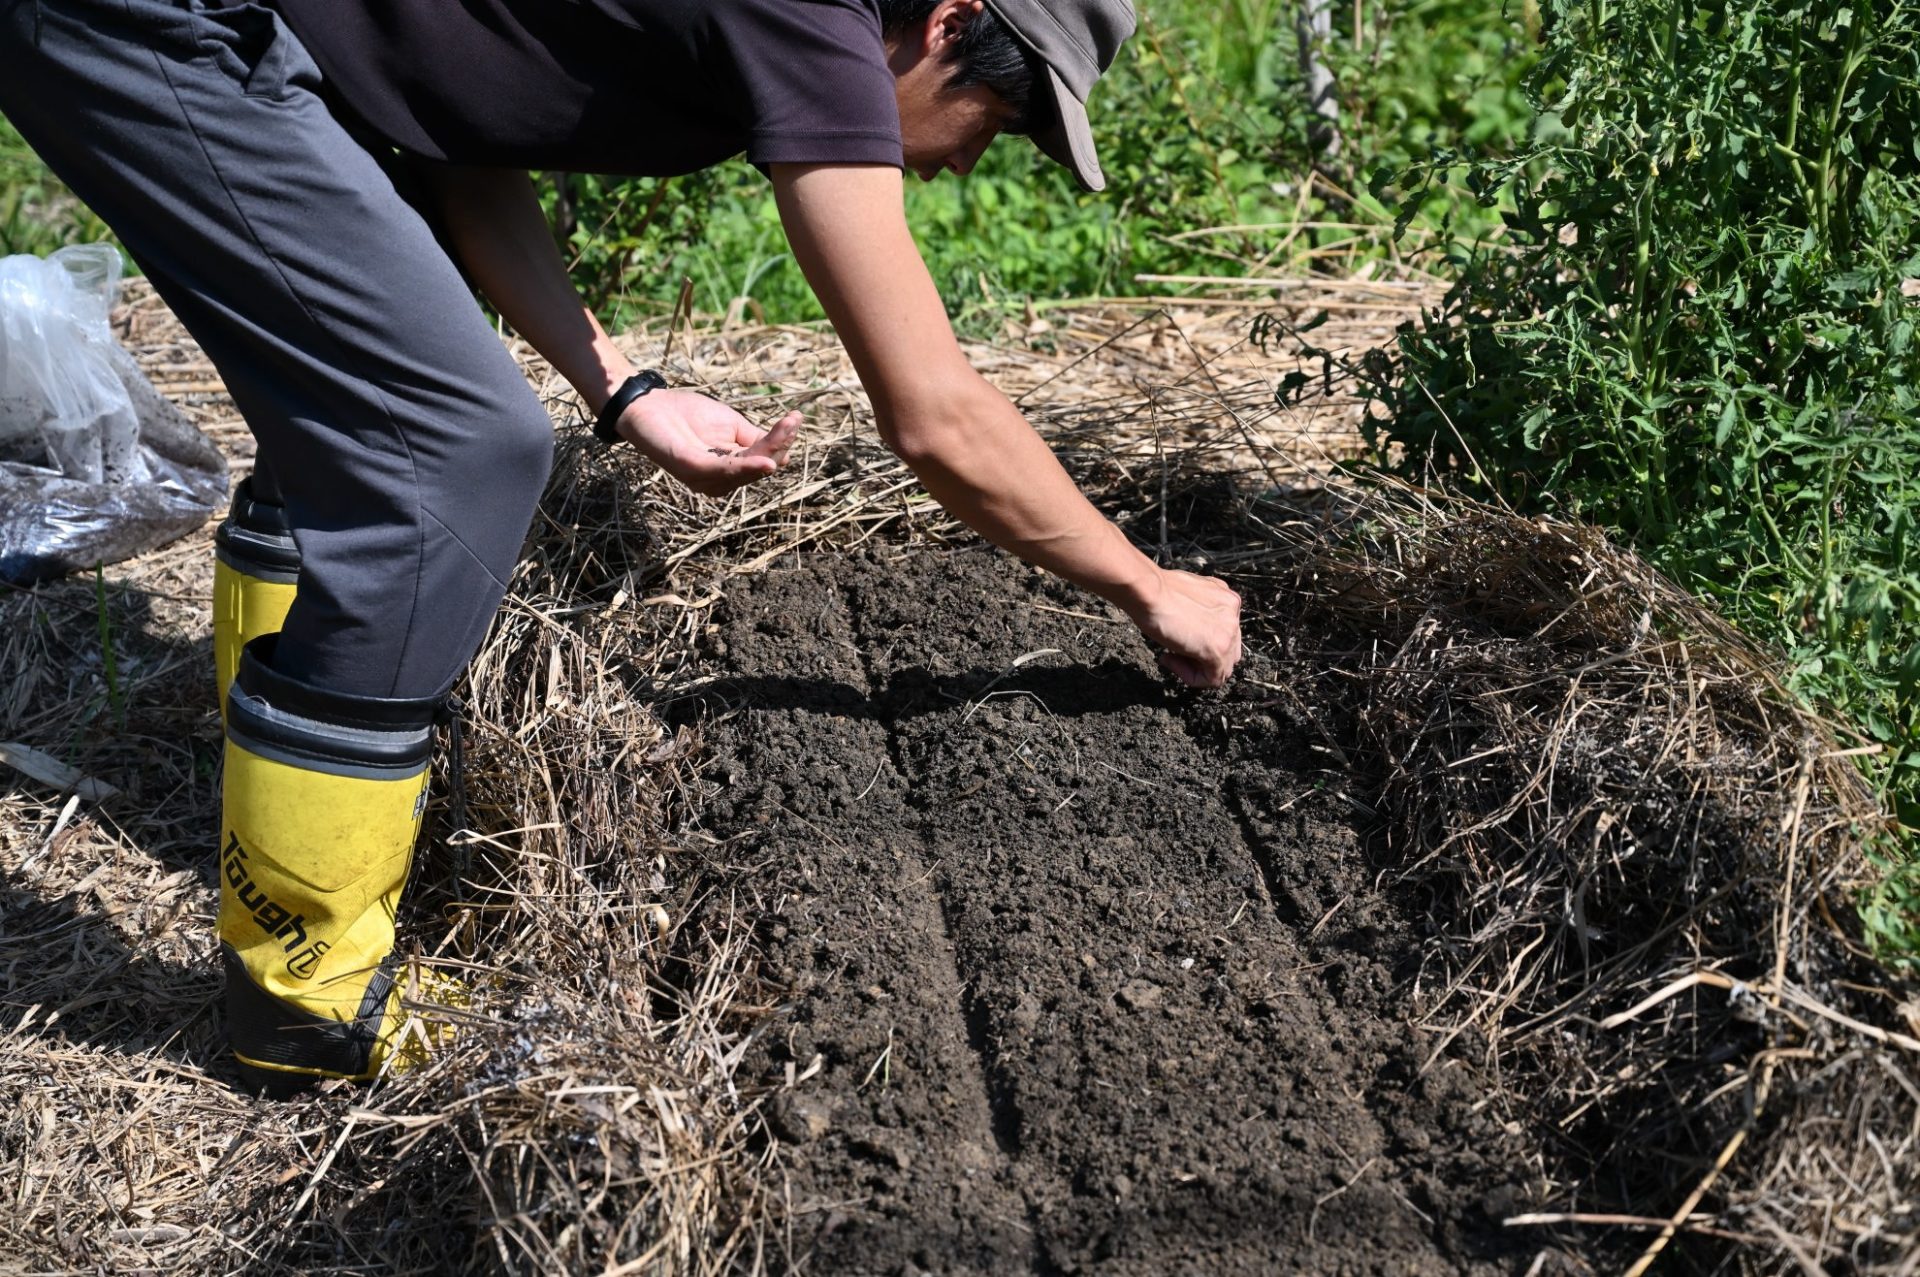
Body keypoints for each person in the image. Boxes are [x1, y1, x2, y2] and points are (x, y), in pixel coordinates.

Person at [0, 0, 1244, 1093]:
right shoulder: (811, 21)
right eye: (1000, 117)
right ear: (945, 22)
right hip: (160, 18)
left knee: (382, 415)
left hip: (255, 32)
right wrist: (1144, 584)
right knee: (448, 452)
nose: (972, 162)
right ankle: (306, 998)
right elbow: (935, 414)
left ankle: (278, 817)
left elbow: (455, 146)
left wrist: (626, 389)